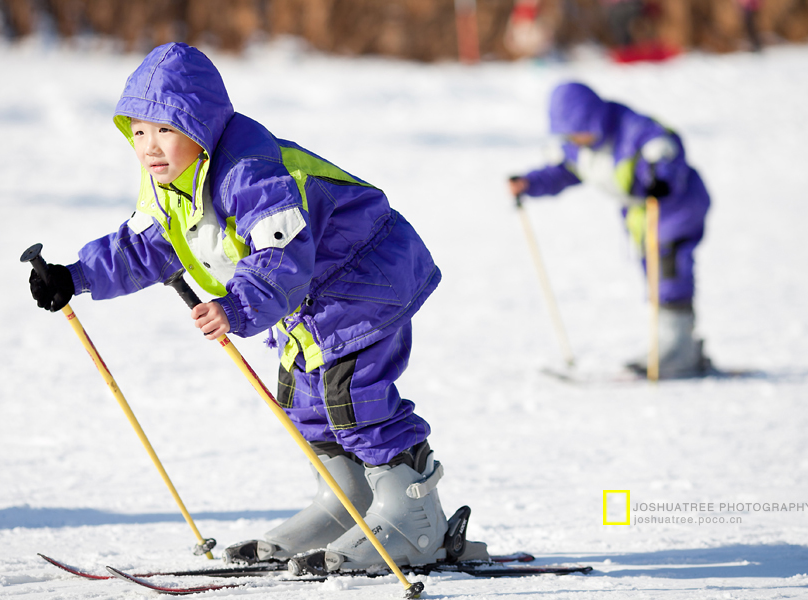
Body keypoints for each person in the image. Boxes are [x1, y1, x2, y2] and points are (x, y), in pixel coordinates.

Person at [28, 42, 485, 572]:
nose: (150, 148)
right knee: (303, 399)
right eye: (138, 133)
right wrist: (73, 276)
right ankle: (346, 506)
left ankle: (415, 521)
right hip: (310, 294)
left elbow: (281, 250)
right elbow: (143, 247)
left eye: (166, 131)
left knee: (352, 394)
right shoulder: (169, 186)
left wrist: (237, 306)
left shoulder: (249, 172)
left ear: (200, 129)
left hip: (363, 274)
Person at [509, 82, 711, 378]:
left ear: (592, 118)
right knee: (656, 277)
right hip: (642, 216)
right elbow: (563, 172)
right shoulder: (580, 147)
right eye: (569, 135)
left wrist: (662, 174)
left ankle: (677, 350)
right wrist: (530, 183)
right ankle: (674, 345)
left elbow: (666, 146)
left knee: (669, 272)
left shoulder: (630, 128)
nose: (576, 139)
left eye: (579, 130)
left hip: (675, 206)